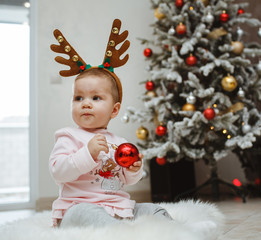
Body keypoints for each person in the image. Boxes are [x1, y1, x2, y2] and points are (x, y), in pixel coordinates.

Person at [49, 19, 172, 228]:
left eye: (96, 98)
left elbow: (126, 181)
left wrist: (134, 169)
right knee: (83, 213)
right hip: (79, 208)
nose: (86, 104)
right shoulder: (68, 136)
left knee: (155, 210)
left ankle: (181, 232)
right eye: (79, 98)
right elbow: (58, 171)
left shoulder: (119, 142)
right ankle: (121, 233)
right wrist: (87, 154)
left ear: (114, 110)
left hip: (118, 207)